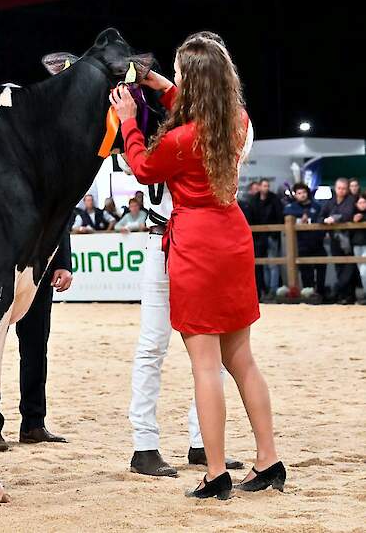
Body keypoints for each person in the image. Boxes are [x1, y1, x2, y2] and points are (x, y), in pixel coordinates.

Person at [111, 35, 284, 499]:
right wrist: (160, 82)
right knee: (242, 360)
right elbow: (195, 103)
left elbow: (144, 168)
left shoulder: (179, 140)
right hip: (232, 237)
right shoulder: (238, 122)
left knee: (204, 365)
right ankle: (268, 460)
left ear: (192, 81)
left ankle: (214, 472)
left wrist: (129, 121)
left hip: (195, 245)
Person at [0, 226, 72, 451]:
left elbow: (59, 210)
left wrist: (63, 262)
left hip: (39, 267)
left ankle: (34, 423)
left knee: (36, 348)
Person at [283, 183, 326, 298]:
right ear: (295, 195)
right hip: (302, 243)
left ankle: (321, 293)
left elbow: (321, 218)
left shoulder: (317, 206)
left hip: (317, 242)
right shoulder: (291, 208)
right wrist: (299, 220)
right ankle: (308, 293)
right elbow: (286, 215)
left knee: (321, 268)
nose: (302, 195)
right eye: (299, 193)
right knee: (306, 271)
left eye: (304, 192)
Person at [320, 178, 358, 304]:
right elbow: (320, 216)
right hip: (334, 239)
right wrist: (325, 220)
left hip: (348, 239)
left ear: (347, 189)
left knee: (349, 266)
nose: (341, 191)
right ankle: (342, 295)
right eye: (339, 188)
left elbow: (348, 214)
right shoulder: (330, 202)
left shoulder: (351, 200)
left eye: (343, 188)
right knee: (338, 267)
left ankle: (342, 292)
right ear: (335, 188)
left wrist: (335, 219)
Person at [248, 179, 284, 299]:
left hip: (271, 236)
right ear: (260, 186)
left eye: (267, 186)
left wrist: (274, 232)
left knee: (273, 264)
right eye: (264, 185)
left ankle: (273, 290)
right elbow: (251, 217)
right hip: (259, 237)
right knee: (262, 265)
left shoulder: (274, 199)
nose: (266, 188)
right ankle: (265, 289)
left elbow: (279, 216)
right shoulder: (254, 201)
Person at [352, 195, 366, 298]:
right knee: (361, 271)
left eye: (364, 202)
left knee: (363, 272)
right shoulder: (352, 214)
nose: (362, 204)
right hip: (356, 245)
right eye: (360, 203)